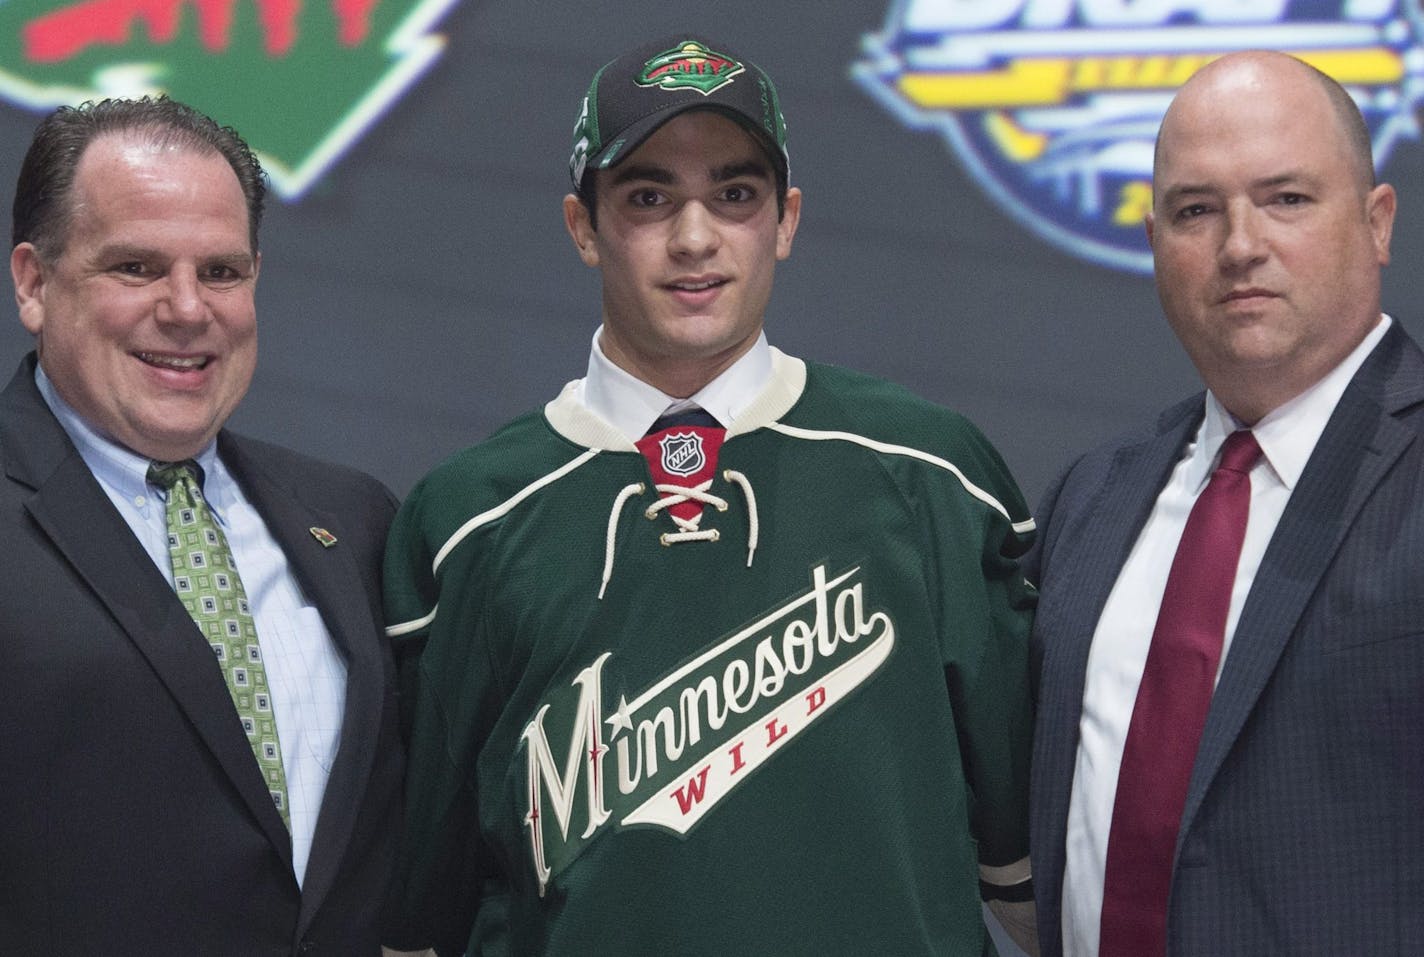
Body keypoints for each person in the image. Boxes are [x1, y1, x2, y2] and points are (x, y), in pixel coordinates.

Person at [382, 35, 1038, 956]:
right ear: (582, 226)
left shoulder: (932, 470)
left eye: (735, 195)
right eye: (648, 198)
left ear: (787, 219)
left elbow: (1035, 880)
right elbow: (424, 917)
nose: (696, 238)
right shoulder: (468, 521)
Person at [1027, 50, 1422, 956]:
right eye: (1196, 210)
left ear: (1377, 222)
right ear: (1155, 240)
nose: (1240, 243)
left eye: (1286, 198)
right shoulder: (1093, 495)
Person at [1, 96, 403, 954]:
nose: (188, 309)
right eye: (138, 267)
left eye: (221, 272)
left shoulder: (356, 521)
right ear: (34, 282)